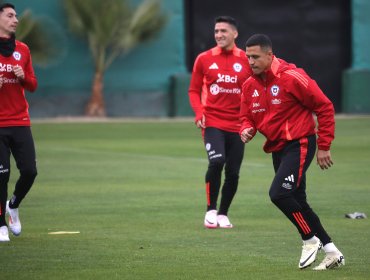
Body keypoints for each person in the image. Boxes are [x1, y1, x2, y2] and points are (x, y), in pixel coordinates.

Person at [239, 34, 344, 270]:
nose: (251, 62)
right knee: (299, 201)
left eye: (255, 57)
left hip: (300, 143)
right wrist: (246, 130)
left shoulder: (293, 77)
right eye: (248, 57)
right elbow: (246, 116)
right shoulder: (249, 85)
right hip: (278, 148)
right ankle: (332, 251)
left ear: (269, 54)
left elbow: (324, 106)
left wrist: (324, 145)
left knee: (279, 194)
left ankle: (310, 239)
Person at [188, 16, 252, 229]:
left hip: (238, 124)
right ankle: (210, 209)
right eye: (216, 31)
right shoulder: (204, 59)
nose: (219, 35)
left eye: (223, 31)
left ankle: (223, 213)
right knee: (217, 162)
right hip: (213, 121)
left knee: (233, 172)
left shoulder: (246, 59)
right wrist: (199, 113)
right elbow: (194, 90)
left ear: (235, 34)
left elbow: (254, 91)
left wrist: (251, 121)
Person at [0, 3, 38, 242]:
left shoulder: (22, 49)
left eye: (16, 16)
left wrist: (24, 78)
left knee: (30, 171)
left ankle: (13, 205)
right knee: (1, 175)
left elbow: (33, 85)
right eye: (10, 15)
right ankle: (0, 224)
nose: (16, 19)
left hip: (20, 121)